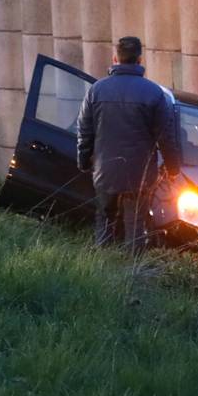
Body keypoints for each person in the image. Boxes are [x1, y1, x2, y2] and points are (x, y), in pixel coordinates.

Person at [75, 36, 182, 253]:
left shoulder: (96, 90)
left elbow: (84, 132)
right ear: (140, 60)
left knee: (105, 219)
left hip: (105, 170)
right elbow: (165, 136)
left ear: (116, 58)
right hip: (140, 174)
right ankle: (132, 276)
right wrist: (173, 168)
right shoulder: (154, 93)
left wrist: (84, 161)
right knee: (136, 225)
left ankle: (102, 269)